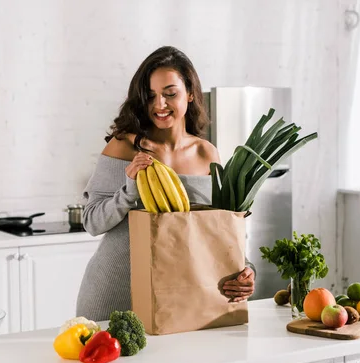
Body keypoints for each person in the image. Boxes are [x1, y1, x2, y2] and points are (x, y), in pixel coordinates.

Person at [76, 45, 255, 322]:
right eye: (150, 96)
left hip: (177, 296)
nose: (159, 105)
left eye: (170, 94)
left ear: (190, 93)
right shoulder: (123, 146)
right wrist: (130, 187)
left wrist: (244, 268)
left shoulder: (207, 154)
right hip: (115, 292)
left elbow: (216, 229)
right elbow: (92, 222)